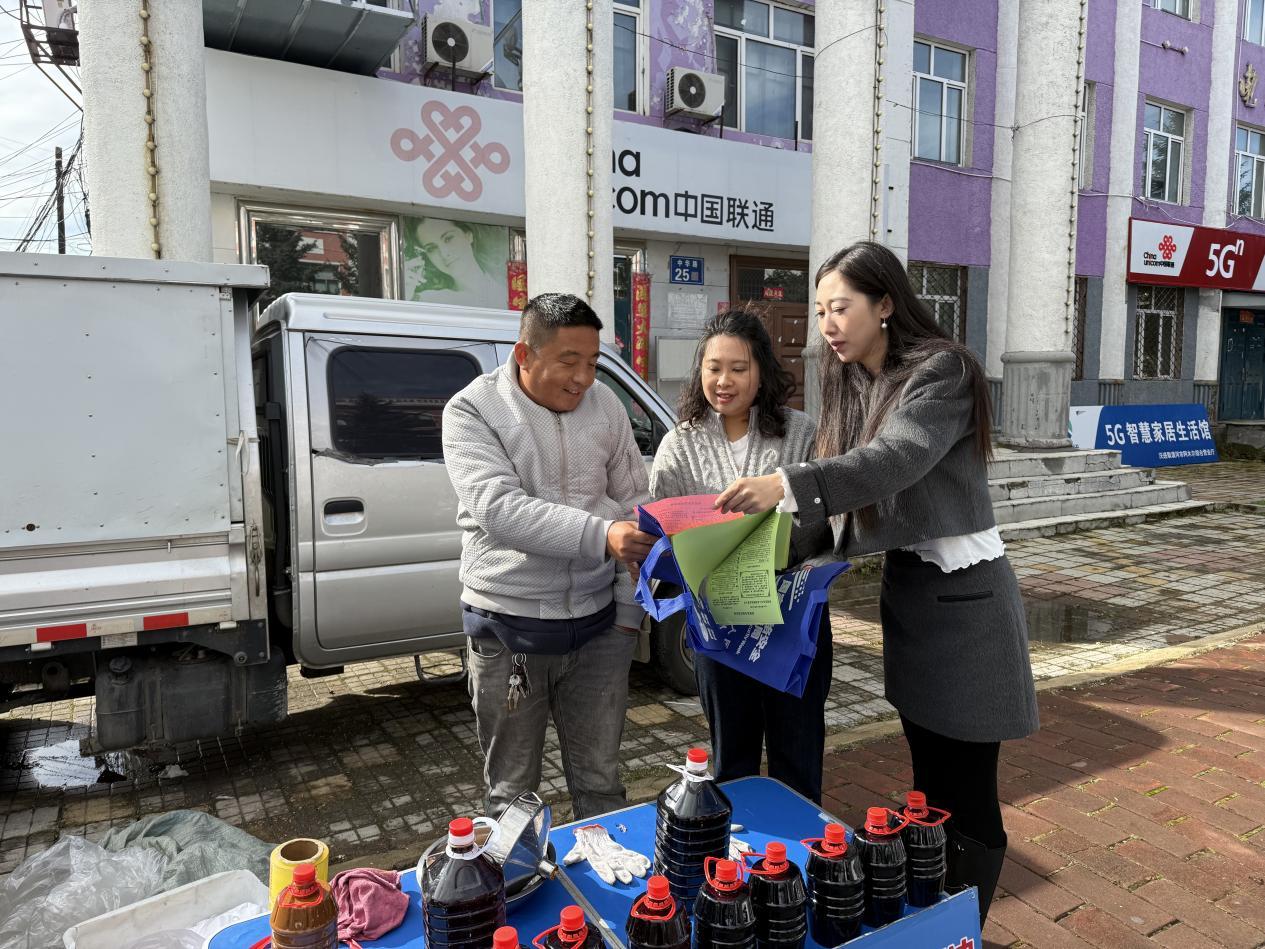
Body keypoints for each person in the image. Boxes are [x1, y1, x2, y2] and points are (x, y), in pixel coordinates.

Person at [716, 242, 1039, 925]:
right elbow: (847, 511)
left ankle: (964, 926)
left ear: (885, 303)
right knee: (928, 787)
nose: (827, 325)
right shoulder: (852, 383)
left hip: (968, 608)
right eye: (820, 311)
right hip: (912, 601)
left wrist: (785, 483)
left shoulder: (943, 371)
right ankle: (936, 918)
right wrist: (740, 549)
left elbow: (894, 461)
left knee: (968, 791)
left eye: (840, 307)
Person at [441, 292, 656, 818]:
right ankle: (519, 869)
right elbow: (500, 509)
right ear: (524, 354)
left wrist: (628, 615)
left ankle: (606, 870)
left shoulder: (607, 406)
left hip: (600, 627)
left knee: (602, 782)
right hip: (509, 630)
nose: (583, 378)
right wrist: (603, 534)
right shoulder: (472, 409)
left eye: (593, 362)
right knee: (512, 794)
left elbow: (636, 504)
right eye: (568, 361)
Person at [650, 309, 832, 803]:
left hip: (792, 616)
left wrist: (786, 538)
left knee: (799, 754)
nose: (723, 381)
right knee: (732, 760)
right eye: (713, 368)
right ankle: (739, 847)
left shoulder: (800, 432)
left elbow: (830, 521)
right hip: (720, 624)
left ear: (762, 371)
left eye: (738, 368)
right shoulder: (679, 445)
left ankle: (801, 845)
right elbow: (663, 532)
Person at [406, 218, 502, 304]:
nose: (444, 254)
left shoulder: (505, 289)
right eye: (431, 248)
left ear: (468, 235)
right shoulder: (430, 301)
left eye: (448, 239)